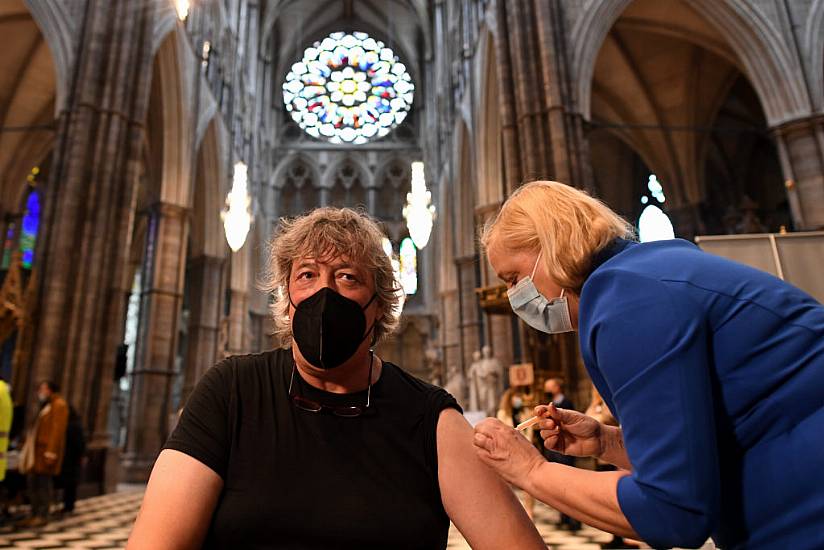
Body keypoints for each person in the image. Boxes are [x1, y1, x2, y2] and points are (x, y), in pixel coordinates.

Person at [128, 207, 545, 550]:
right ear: (286, 301)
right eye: (306, 275)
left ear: (380, 306)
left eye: (348, 277)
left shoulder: (430, 419)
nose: (324, 293)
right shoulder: (230, 392)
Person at [472, 181, 824, 549]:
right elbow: (710, 446)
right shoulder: (644, 273)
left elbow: (673, 510)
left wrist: (531, 470)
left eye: (513, 278)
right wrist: (607, 442)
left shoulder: (626, 302)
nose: (515, 298)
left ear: (551, 245)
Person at [17, 380, 68, 527]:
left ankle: (42, 514)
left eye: (43, 389)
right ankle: (34, 513)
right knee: (33, 483)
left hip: (45, 453)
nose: (40, 391)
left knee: (43, 485)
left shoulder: (59, 405)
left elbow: (57, 431)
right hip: (37, 452)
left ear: (51, 390)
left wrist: (51, 452)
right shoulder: (47, 405)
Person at [540, 378, 580, 531]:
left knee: (569, 484)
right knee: (558, 485)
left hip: (566, 447)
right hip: (554, 449)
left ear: (557, 387)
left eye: (548, 387)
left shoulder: (566, 403)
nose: (546, 390)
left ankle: (575, 520)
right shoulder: (549, 403)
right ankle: (563, 517)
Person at [495, 388, 536, 519]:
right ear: (510, 398)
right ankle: (508, 510)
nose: (518, 400)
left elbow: (530, 430)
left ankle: (529, 510)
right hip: (508, 451)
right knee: (506, 483)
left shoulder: (524, 412)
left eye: (520, 397)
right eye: (516, 397)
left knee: (529, 483)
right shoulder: (503, 413)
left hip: (524, 450)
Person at [56, 405, 86, 514]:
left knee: (70, 484)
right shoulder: (72, 424)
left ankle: (69, 506)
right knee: (69, 483)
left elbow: (79, 444)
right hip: (70, 459)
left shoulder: (73, 426)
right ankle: (68, 505)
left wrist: (81, 456)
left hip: (72, 460)